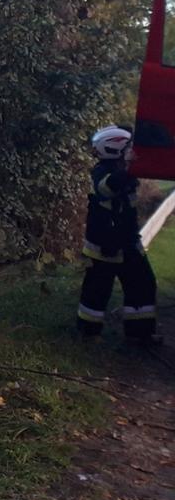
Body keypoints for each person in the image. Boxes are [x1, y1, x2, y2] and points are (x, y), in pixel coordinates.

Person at [78, 126, 158, 344]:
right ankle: (88, 333)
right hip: (106, 247)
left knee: (143, 286)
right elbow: (107, 187)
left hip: (128, 243)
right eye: (127, 151)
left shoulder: (121, 172)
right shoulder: (101, 173)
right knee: (96, 292)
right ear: (115, 150)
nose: (130, 154)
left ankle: (140, 334)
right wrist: (128, 169)